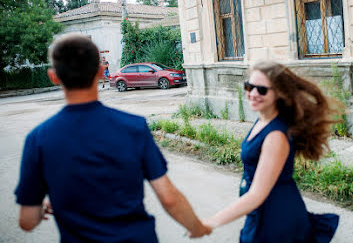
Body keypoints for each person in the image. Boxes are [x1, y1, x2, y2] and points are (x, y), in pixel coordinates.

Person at [14, 33, 211, 242]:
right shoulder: (133, 127)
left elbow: (27, 221)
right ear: (100, 73)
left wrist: (41, 207)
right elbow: (169, 197)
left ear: (53, 76)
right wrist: (198, 228)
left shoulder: (39, 139)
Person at [204, 60, 339, 243]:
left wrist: (210, 222)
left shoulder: (276, 136)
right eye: (249, 86)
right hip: (261, 211)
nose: (252, 93)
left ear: (279, 94)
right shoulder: (262, 121)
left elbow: (257, 194)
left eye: (261, 90)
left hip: (276, 217)